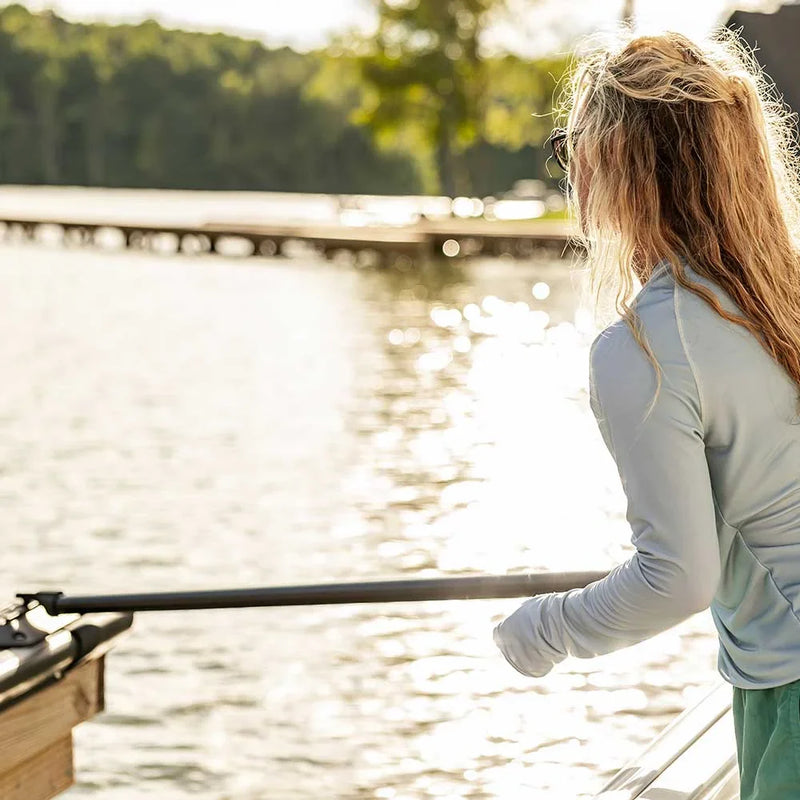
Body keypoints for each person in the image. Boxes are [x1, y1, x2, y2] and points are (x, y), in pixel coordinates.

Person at [492, 26, 800, 799]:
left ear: (618, 165)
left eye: (575, 148)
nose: (571, 172)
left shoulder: (648, 347)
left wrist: (540, 631)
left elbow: (678, 578)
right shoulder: (782, 299)